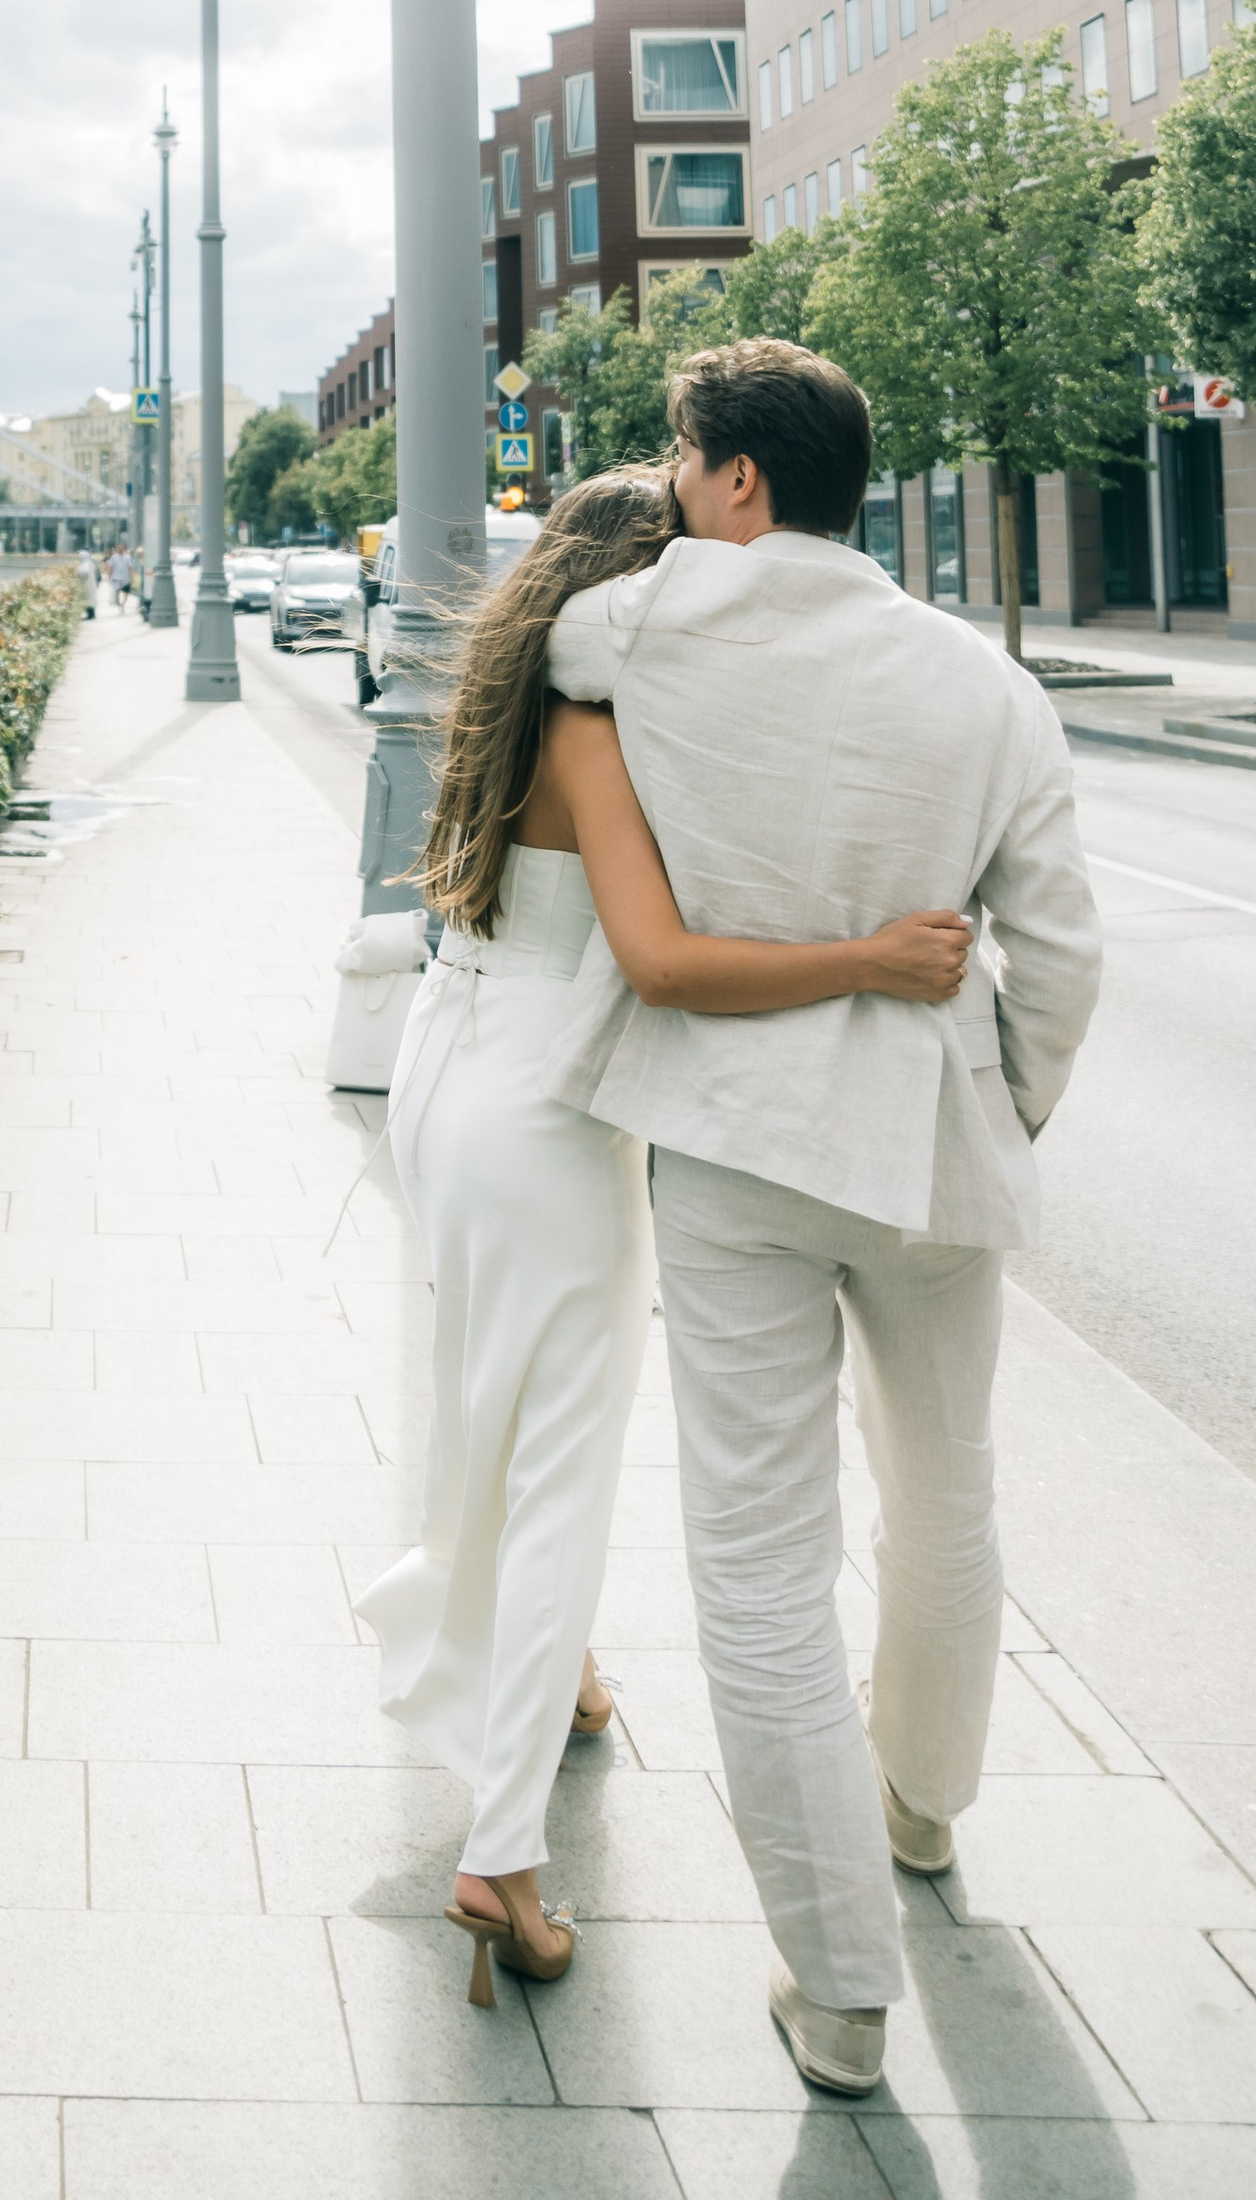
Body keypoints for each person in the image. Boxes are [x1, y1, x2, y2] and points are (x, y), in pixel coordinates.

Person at [542, 340, 1100, 2095]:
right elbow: (1063, 954)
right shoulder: (986, 683)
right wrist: (1004, 1102)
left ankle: (842, 1988)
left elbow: (557, 645)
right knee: (946, 1485)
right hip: (930, 1141)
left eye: (678, 455)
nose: (668, 481)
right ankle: (923, 1803)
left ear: (736, 480)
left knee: (761, 1559)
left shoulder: (636, 628)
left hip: (737, 1141)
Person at [348, 468, 978, 2013]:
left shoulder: (508, 701)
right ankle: (502, 1860)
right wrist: (873, 957)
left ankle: (553, 1681)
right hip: (550, 1122)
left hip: (447, 1072)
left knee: (482, 1417)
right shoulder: (598, 729)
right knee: (559, 1475)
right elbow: (664, 963)